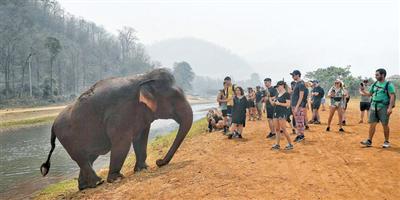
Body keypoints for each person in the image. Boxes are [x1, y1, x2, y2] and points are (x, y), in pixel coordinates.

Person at [360, 68, 396, 148]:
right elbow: (370, 94)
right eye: (375, 75)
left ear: (382, 75)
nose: (375, 76)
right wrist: (363, 91)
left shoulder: (388, 85)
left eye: (377, 75)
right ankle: (369, 141)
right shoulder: (375, 84)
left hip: (383, 107)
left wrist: (390, 108)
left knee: (385, 124)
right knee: (372, 124)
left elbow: (392, 97)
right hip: (373, 106)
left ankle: (386, 142)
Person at [271, 81, 294, 150]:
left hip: (282, 112)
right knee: (277, 129)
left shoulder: (286, 94)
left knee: (283, 129)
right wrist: (274, 102)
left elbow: (288, 104)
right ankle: (277, 144)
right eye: (277, 87)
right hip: (276, 112)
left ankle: (290, 144)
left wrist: (279, 103)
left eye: (278, 86)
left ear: (282, 86)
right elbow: (276, 103)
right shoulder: (278, 94)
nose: (277, 88)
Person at [290, 70, 307, 142]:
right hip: (294, 105)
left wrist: (297, 106)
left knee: (300, 121)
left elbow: (301, 96)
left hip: (298, 106)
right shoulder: (297, 83)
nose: (292, 77)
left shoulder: (301, 84)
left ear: (297, 75)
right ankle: (299, 134)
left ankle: (301, 135)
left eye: (293, 75)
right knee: (297, 121)